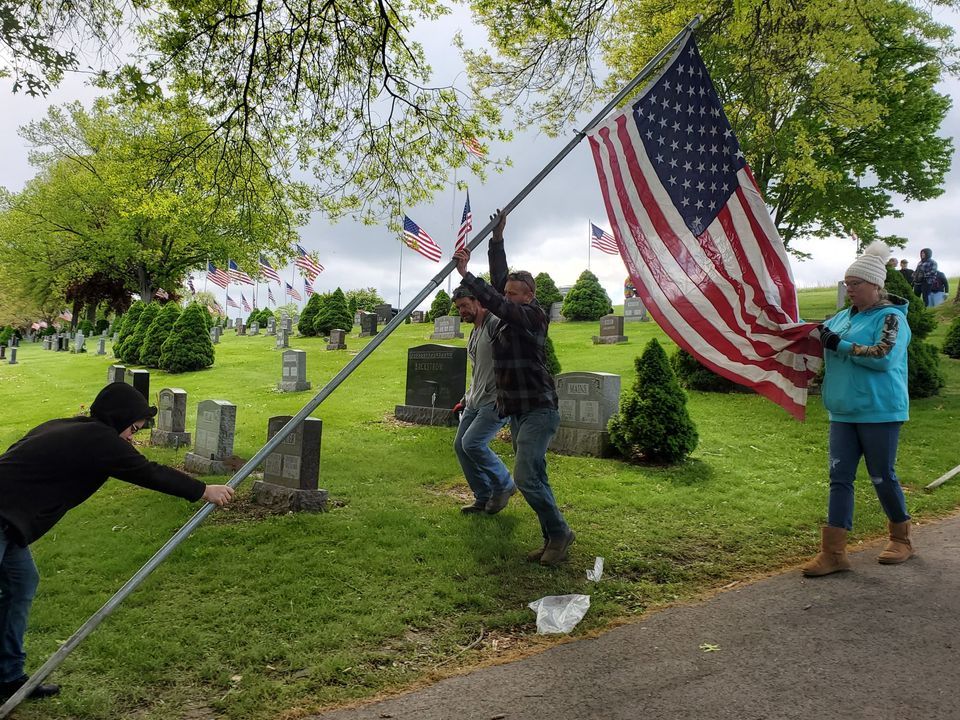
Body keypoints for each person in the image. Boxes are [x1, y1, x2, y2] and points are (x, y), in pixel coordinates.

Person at [0, 382, 235, 701]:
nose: (132, 436)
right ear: (119, 418)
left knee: (21, 585)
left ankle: (9, 678)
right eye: (133, 428)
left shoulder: (74, 428)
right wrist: (204, 490)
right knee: (19, 587)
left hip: (10, 523)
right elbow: (147, 472)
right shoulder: (99, 439)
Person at [453, 211, 575, 567]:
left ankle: (559, 532)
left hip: (539, 407)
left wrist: (466, 276)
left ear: (530, 296)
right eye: (507, 291)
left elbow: (497, 300)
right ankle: (554, 536)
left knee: (524, 476)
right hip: (518, 409)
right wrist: (496, 240)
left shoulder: (532, 316)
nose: (508, 294)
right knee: (535, 475)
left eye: (515, 292)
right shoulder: (510, 312)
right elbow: (499, 283)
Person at [802, 240, 913, 577]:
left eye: (856, 284)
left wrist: (842, 345)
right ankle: (834, 552)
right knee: (839, 477)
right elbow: (822, 339)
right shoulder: (842, 317)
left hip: (879, 410)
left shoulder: (892, 318)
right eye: (846, 284)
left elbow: (884, 356)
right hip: (843, 410)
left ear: (876, 285)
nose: (849, 290)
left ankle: (901, 539)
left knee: (881, 475)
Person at [451, 284, 517, 515]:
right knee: (460, 446)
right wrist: (465, 398)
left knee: (472, 443)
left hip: (496, 399)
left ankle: (505, 484)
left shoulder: (494, 324)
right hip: (475, 400)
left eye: (465, 306)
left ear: (478, 301)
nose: (462, 311)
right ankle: (483, 496)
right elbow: (477, 369)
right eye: (459, 308)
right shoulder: (475, 331)